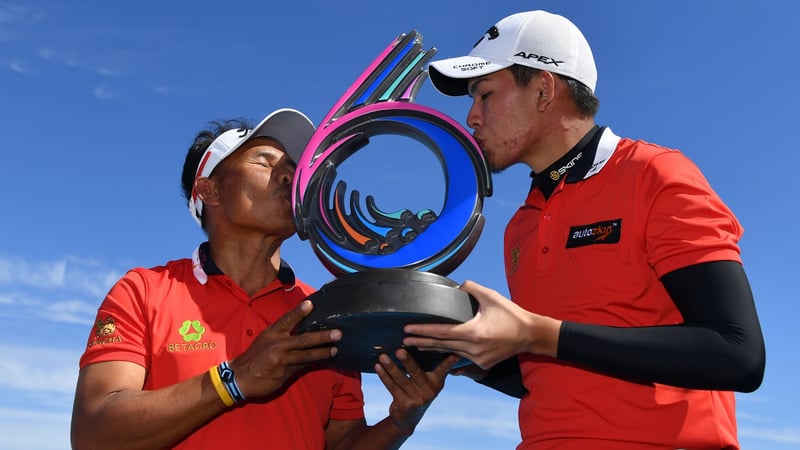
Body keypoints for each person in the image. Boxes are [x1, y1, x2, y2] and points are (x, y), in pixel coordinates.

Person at [403, 10, 766, 450]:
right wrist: (465, 354)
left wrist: (539, 334)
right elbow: (554, 372)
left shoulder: (655, 174)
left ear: (543, 89)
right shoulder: (520, 223)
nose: (472, 118)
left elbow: (737, 353)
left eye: (484, 95)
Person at [70, 108, 460, 450]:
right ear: (209, 190)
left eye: (293, 167)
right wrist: (233, 380)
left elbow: (343, 442)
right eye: (264, 161)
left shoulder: (328, 309)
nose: (289, 175)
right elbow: (93, 433)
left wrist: (400, 422)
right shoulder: (143, 290)